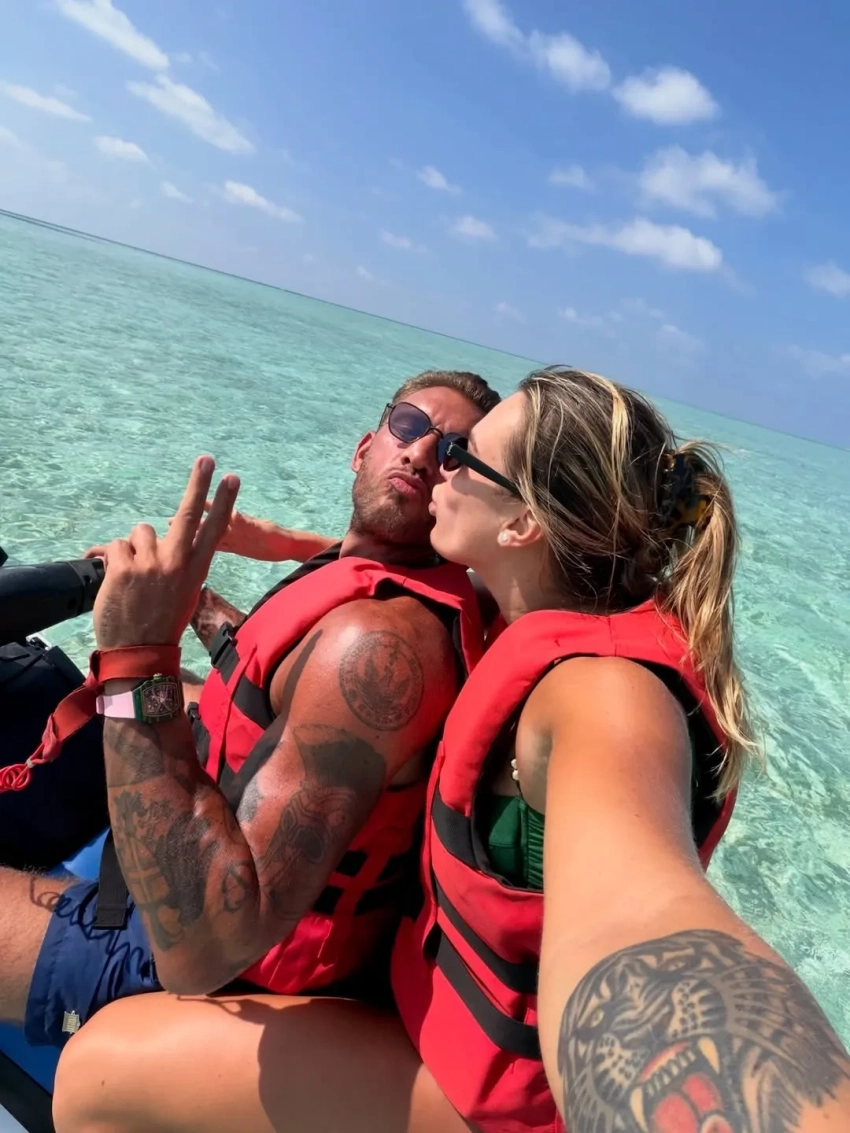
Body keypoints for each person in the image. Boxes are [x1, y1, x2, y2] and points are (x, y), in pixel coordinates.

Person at [52, 367, 850, 1133]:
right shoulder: (539, 602)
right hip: (413, 1000)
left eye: (464, 455)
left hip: (494, 1106)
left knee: (98, 1076)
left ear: (521, 524)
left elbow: (644, 919)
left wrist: (137, 654)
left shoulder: (603, 696)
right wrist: (278, 555)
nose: (436, 466)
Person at [0, 369, 498, 1052]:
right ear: (363, 447)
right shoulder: (381, 581)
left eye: (453, 452)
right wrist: (185, 602)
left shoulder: (379, 645)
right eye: (408, 426)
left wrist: (137, 653)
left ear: (467, 494)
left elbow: (205, 949)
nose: (420, 453)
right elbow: (265, 676)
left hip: (191, 960)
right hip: (192, 847)